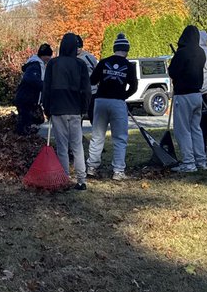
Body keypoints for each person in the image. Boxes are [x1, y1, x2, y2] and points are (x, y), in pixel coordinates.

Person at [41, 32, 92, 190]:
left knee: (62, 146)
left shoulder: (53, 64)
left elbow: (46, 88)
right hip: (75, 109)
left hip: (57, 109)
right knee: (77, 146)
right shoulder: (80, 65)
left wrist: (47, 108)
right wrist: (84, 109)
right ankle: (81, 180)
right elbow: (87, 90)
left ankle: (64, 178)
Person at [86, 32, 138, 180]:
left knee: (97, 136)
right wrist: (124, 96)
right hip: (118, 103)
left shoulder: (103, 62)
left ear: (114, 48)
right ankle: (118, 171)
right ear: (127, 50)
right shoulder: (129, 66)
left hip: (101, 101)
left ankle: (92, 168)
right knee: (120, 137)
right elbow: (134, 86)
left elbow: (92, 80)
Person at [167, 25, 207, 173]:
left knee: (182, 130)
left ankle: (188, 162)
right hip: (197, 95)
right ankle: (201, 160)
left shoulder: (182, 53)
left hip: (183, 96)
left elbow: (172, 71)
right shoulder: (201, 52)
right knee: (196, 129)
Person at [13, 43, 52, 135]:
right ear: (45, 56)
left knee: (37, 120)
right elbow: (31, 79)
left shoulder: (39, 65)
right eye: (49, 56)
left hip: (31, 100)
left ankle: (26, 137)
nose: (50, 58)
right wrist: (46, 87)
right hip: (26, 99)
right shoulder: (35, 65)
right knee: (25, 122)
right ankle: (22, 139)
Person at [76, 37, 99, 121]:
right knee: (78, 117)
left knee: (93, 115)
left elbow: (97, 72)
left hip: (91, 91)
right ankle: (79, 134)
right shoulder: (71, 59)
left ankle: (96, 133)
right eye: (75, 46)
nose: (77, 49)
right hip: (77, 92)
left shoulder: (89, 57)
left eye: (79, 46)